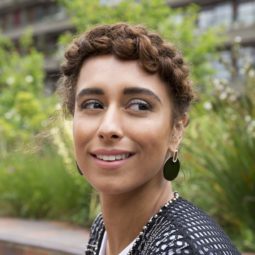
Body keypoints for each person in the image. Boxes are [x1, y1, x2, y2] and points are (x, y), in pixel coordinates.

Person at [58, 23, 241, 255]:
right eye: (93, 104)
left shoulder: (185, 250)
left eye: (139, 105)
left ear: (176, 131)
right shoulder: (104, 229)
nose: (108, 127)